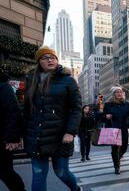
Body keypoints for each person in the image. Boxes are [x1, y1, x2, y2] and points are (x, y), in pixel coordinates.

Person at [24, 46, 82, 191]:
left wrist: (70, 132)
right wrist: (19, 134)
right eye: (45, 57)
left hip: (61, 135)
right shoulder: (31, 80)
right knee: (38, 174)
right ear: (39, 61)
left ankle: (76, 189)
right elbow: (26, 110)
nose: (50, 60)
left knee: (61, 172)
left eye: (53, 57)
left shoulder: (68, 80)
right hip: (36, 136)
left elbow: (76, 108)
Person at [0, 69, 26, 191]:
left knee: (5, 172)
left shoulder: (3, 87)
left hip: (3, 139)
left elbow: (12, 112)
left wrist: (12, 138)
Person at [102, 86, 129, 174]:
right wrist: (106, 116)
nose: (119, 94)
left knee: (124, 147)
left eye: (120, 92)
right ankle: (117, 166)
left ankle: (117, 158)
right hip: (113, 128)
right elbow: (102, 116)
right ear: (113, 94)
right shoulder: (108, 104)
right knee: (115, 148)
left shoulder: (126, 104)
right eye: (117, 92)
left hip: (123, 128)